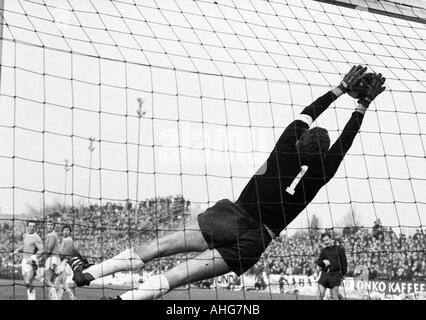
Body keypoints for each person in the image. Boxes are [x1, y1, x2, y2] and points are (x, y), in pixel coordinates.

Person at [68, 65, 386, 300]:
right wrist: (363, 106)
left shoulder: (286, 148)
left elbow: (307, 113)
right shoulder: (323, 172)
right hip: (257, 239)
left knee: (155, 249)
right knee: (177, 277)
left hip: (231, 216)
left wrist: (341, 89)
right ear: (325, 154)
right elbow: (345, 141)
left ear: (302, 141)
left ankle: (90, 273)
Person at [10, 221, 44, 300]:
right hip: (24, 261)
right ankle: (31, 298)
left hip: (31, 261)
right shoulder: (25, 235)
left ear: (35, 227)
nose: (32, 227)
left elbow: (41, 249)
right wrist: (16, 251)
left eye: (33, 226)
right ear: (27, 227)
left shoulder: (37, 238)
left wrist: (33, 257)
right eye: (30, 226)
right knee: (27, 283)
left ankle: (32, 296)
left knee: (28, 282)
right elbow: (23, 245)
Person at [316, 233, 347, 300]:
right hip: (324, 275)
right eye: (324, 241)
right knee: (319, 296)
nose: (326, 242)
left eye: (327, 240)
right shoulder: (324, 251)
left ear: (331, 239)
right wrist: (323, 262)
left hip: (335, 276)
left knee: (334, 297)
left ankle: (339, 297)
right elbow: (318, 262)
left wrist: (344, 274)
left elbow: (344, 262)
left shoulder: (339, 249)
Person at [55, 225, 76, 300]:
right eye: (64, 230)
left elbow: (64, 253)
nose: (66, 231)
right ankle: (73, 298)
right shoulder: (64, 240)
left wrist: (57, 257)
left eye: (68, 230)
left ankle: (57, 298)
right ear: (62, 231)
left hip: (66, 263)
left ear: (70, 232)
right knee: (63, 283)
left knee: (60, 282)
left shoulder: (69, 240)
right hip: (63, 263)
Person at [42, 220, 61, 300]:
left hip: (52, 259)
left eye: (51, 225)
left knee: (47, 281)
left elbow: (48, 249)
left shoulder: (51, 235)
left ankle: (56, 298)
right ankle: (54, 297)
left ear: (53, 226)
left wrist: (41, 257)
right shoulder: (53, 235)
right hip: (56, 259)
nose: (49, 226)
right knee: (52, 282)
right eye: (48, 225)